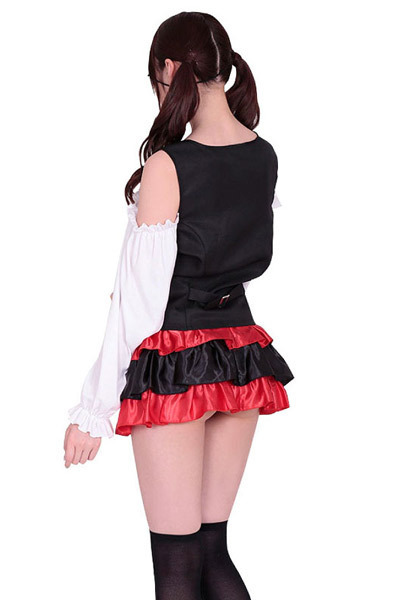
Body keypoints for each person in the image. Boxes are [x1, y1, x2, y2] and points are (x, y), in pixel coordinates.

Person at [64, 11, 294, 600]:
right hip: (241, 358)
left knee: (177, 567)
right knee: (213, 554)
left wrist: (92, 412)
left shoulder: (170, 166)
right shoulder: (264, 155)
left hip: (174, 366)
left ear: (168, 69)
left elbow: (139, 308)